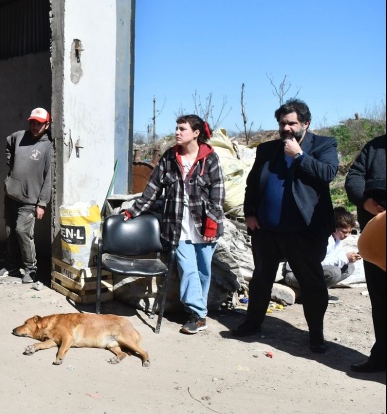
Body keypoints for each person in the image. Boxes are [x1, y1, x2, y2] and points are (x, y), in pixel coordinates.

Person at [231, 98, 338, 354]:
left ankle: (316, 335)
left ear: (305, 123)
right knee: (261, 279)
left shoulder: (323, 145)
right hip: (267, 230)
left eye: (292, 123)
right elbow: (252, 184)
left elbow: (328, 174)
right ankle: (252, 323)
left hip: (304, 232)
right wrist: (250, 213)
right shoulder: (268, 149)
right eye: (282, 123)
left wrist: (299, 156)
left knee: (311, 284)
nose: (286, 128)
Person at [122, 115, 225, 335]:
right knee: (188, 269)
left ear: (196, 133)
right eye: (176, 128)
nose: (177, 133)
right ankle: (198, 314)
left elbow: (218, 195)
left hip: (204, 225)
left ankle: (199, 313)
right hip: (177, 224)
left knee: (204, 271)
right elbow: (152, 190)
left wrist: (212, 225)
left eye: (182, 129)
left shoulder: (210, 158)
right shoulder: (170, 157)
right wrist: (133, 211)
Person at [0, 107, 53, 284]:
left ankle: (31, 269)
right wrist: (10, 163)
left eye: (39, 124)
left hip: (30, 199)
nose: (34, 127)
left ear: (47, 125)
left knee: (23, 231)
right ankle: (12, 265)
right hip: (11, 195)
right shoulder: (19, 136)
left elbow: (49, 176)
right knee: (10, 231)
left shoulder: (48, 146)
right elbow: (8, 144)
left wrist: (42, 203)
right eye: (32, 123)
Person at [345, 133, 386, 372]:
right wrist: (364, 201)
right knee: (380, 300)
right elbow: (354, 177)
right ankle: (381, 356)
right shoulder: (374, 148)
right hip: (378, 240)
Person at [282, 206, 361, 302]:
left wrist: (349, 259)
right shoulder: (321, 238)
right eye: (344, 232)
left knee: (349, 268)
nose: (347, 235)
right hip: (296, 274)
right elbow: (315, 264)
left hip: (310, 274)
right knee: (334, 272)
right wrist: (344, 258)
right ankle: (313, 295)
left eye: (349, 232)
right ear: (333, 227)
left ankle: (314, 292)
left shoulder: (337, 239)